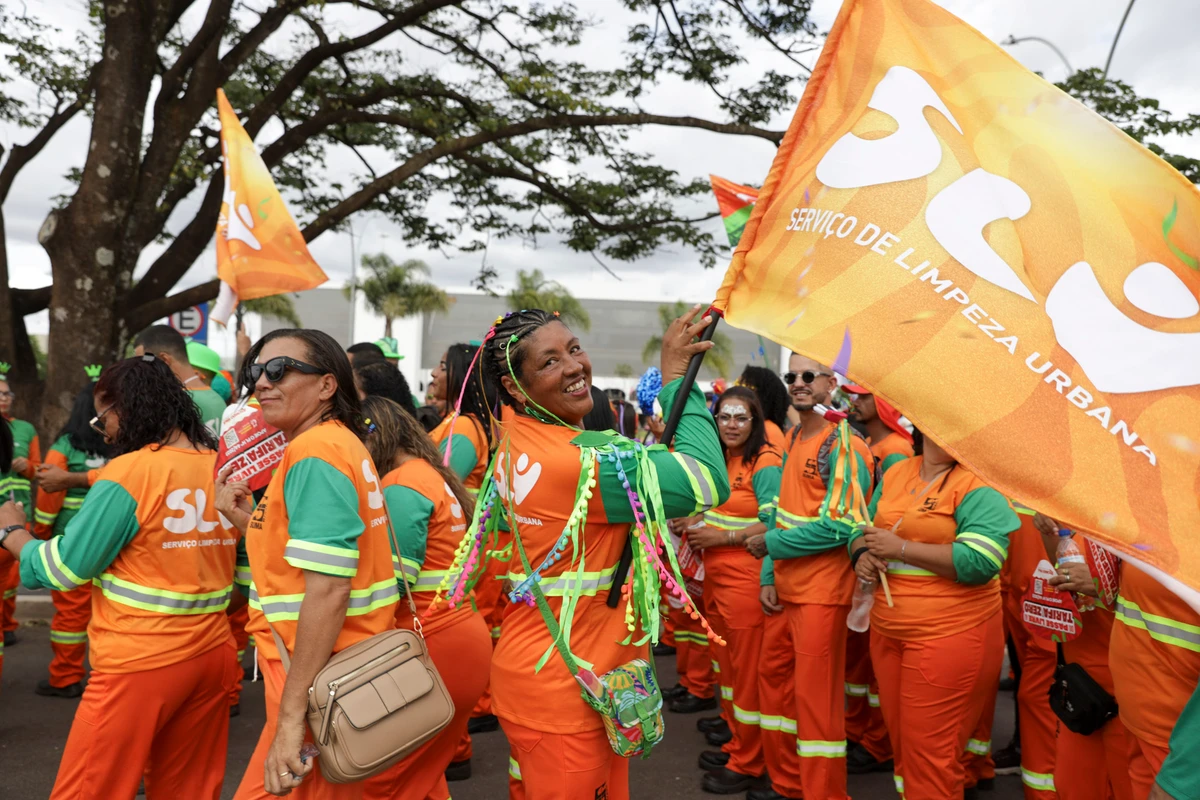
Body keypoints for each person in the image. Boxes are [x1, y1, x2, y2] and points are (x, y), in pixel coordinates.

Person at [460, 306, 728, 800]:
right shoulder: (577, 463)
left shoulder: (520, 435)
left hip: (556, 680)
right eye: (549, 362)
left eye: (574, 348)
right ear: (515, 388)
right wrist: (673, 381)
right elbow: (709, 480)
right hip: (568, 695)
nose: (574, 366)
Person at [0, 354, 238, 798]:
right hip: (213, 655)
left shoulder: (130, 471)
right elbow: (244, 571)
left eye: (102, 418)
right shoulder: (217, 466)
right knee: (187, 790)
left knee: (90, 788)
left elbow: (61, 568)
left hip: (139, 662)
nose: (104, 431)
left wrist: (12, 532)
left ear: (123, 408)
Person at [218, 329, 398, 799]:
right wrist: (247, 521)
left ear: (326, 386)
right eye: (256, 372)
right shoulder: (333, 443)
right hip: (332, 669)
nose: (261, 383)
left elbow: (329, 589)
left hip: (321, 677)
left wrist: (292, 716)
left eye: (279, 370)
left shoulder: (314, 452)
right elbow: (303, 563)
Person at [849, 435, 1017, 800]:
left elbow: (981, 563)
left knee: (930, 757)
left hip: (950, 634)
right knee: (907, 750)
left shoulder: (979, 483)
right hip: (888, 629)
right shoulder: (897, 471)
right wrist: (860, 553)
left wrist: (903, 549)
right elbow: (862, 528)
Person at [742, 355, 874, 800]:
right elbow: (781, 514)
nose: (798, 384)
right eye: (791, 377)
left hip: (822, 593)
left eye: (808, 376)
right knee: (776, 688)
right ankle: (787, 784)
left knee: (816, 706)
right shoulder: (797, 435)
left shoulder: (844, 445)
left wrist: (771, 549)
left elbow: (842, 525)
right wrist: (768, 574)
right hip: (785, 586)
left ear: (831, 383)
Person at [359, 396, 491, 800]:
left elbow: (396, 583)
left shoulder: (400, 485)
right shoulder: (431, 475)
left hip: (428, 642)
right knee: (423, 776)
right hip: (458, 634)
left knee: (386, 780)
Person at [685, 387, 782, 794]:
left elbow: (775, 522)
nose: (731, 425)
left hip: (746, 585)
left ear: (755, 422)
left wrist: (719, 539)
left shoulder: (765, 462)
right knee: (729, 671)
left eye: (741, 418)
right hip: (717, 583)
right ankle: (739, 744)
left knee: (746, 676)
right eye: (724, 417)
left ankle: (750, 761)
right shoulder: (722, 459)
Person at [1031, 514, 1134, 800]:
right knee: (1073, 786)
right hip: (1082, 677)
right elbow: (1065, 568)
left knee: (1129, 788)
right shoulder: (1080, 503)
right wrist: (1051, 533)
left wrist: (1102, 587)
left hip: (1130, 681)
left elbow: (1164, 599)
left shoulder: (1145, 511)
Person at [842, 385, 915, 775]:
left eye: (865, 395)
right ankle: (861, 732)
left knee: (876, 674)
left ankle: (878, 742)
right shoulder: (871, 444)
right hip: (870, 563)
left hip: (894, 576)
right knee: (862, 668)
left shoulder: (898, 452)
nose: (856, 401)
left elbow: (892, 517)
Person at [33, 382, 110, 698]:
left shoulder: (64, 446)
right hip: (113, 540)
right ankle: (106, 675)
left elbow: (48, 494)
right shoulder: (122, 444)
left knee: (71, 612)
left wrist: (39, 533)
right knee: (109, 608)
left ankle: (65, 677)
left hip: (71, 540)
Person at [0, 369, 39, 648]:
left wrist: (28, 467)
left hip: (17, 507)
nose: (4, 398)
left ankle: (8, 623)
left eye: (7, 393)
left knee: (12, 573)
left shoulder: (25, 429)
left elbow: (38, 469)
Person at [134, 325, 226, 433]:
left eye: (143, 362)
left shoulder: (174, 403)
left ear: (164, 359)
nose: (141, 370)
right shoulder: (218, 401)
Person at [736, 365, 790, 451]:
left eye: (747, 388)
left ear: (764, 396)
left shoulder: (768, 432)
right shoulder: (754, 426)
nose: (738, 394)